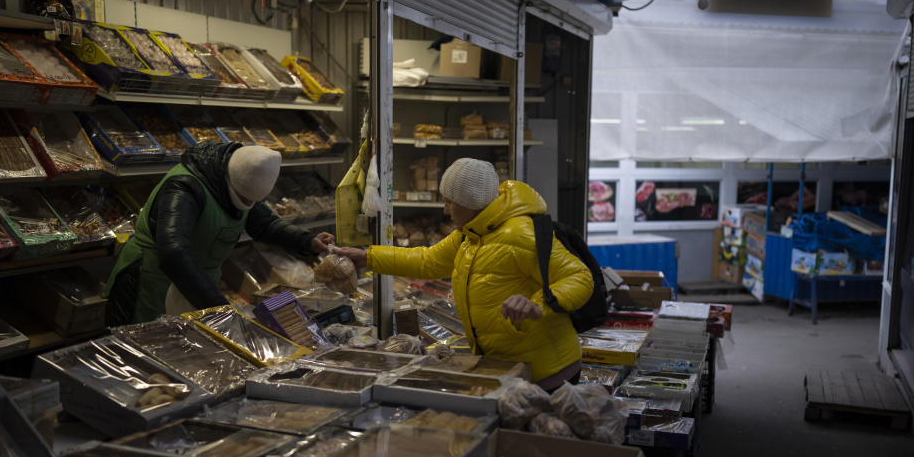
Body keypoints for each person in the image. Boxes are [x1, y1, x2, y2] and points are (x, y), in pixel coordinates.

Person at [335, 157, 593, 390]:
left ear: (472, 203)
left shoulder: (521, 234)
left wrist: (539, 303)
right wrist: (366, 257)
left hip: (548, 372)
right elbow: (427, 261)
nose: (445, 210)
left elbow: (579, 278)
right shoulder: (471, 235)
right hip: (509, 367)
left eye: (450, 202)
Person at [104, 141, 333, 325]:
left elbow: (264, 224)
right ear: (231, 182)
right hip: (151, 281)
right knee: (147, 352)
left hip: (196, 285)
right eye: (243, 198)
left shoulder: (240, 183)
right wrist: (217, 306)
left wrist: (307, 241)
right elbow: (174, 253)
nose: (246, 204)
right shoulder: (184, 188)